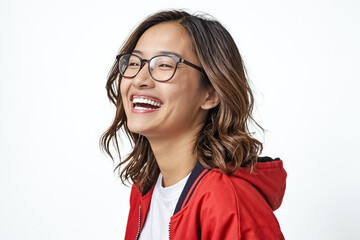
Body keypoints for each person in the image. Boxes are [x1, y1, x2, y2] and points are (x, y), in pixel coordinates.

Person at [100, 10, 287, 240]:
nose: (139, 79)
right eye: (135, 62)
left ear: (210, 93)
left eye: (165, 65)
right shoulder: (144, 189)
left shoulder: (227, 200)